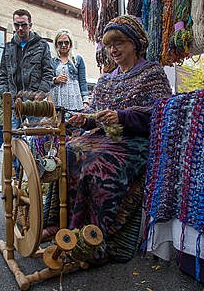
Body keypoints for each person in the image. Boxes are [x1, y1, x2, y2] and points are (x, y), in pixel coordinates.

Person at [64, 15, 172, 263]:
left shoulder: (152, 72)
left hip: (135, 142)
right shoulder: (106, 79)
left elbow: (161, 112)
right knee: (69, 151)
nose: (113, 50)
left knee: (98, 164)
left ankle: (101, 238)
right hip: (105, 139)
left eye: (119, 43)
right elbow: (96, 115)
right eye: (109, 45)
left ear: (135, 43)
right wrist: (86, 120)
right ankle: (67, 228)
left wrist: (122, 116)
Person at [0, 8, 54, 106]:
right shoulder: (8, 47)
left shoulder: (42, 45)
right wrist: (5, 95)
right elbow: (3, 75)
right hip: (13, 103)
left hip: (35, 102)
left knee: (37, 122)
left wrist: (42, 92)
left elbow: (48, 72)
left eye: (23, 25)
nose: (20, 28)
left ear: (30, 25)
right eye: (17, 25)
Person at [50, 29, 89, 111]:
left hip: (74, 99)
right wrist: (55, 80)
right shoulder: (51, 60)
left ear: (70, 43)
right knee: (56, 123)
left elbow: (82, 81)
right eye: (60, 43)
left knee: (74, 122)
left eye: (66, 42)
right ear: (56, 44)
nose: (63, 45)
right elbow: (45, 79)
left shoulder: (78, 59)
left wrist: (85, 101)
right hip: (56, 99)